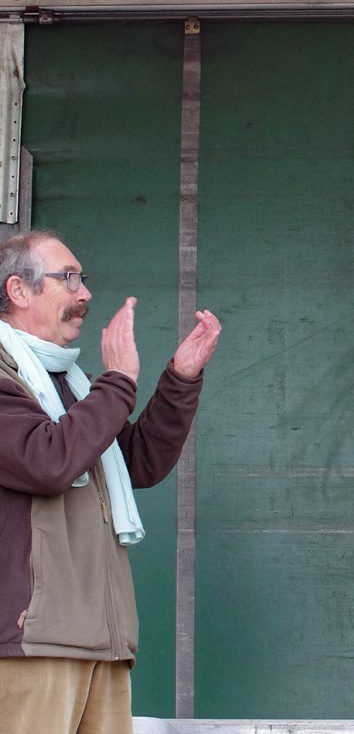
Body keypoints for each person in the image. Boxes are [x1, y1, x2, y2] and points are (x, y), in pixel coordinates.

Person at [0, 230, 221, 733]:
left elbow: (136, 461)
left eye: (83, 279)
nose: (85, 293)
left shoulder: (66, 384)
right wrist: (118, 380)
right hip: (31, 646)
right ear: (18, 290)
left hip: (99, 641)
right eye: (68, 278)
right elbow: (48, 461)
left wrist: (180, 380)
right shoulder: (8, 378)